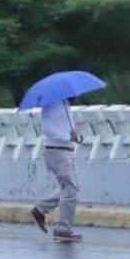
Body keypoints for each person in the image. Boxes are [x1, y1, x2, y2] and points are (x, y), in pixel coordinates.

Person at [31, 98, 82, 241]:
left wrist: (74, 137)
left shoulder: (64, 105)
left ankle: (41, 209)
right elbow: (48, 129)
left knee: (69, 188)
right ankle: (63, 229)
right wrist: (67, 137)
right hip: (57, 151)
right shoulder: (52, 104)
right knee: (70, 189)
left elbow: (65, 129)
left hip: (64, 150)